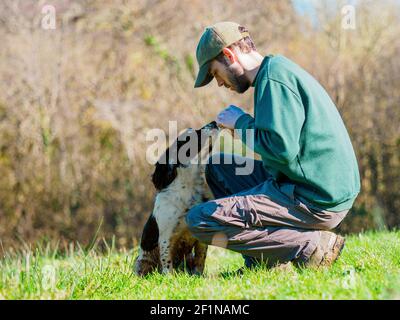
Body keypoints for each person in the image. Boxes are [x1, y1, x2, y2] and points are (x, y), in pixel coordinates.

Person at [185, 21, 361, 268]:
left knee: (200, 220)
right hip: (308, 183)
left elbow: (281, 149)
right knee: (218, 166)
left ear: (228, 54)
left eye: (215, 74)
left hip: (315, 198)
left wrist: (241, 123)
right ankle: (264, 262)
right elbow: (282, 143)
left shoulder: (275, 78)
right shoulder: (274, 72)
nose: (220, 83)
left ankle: (311, 247)